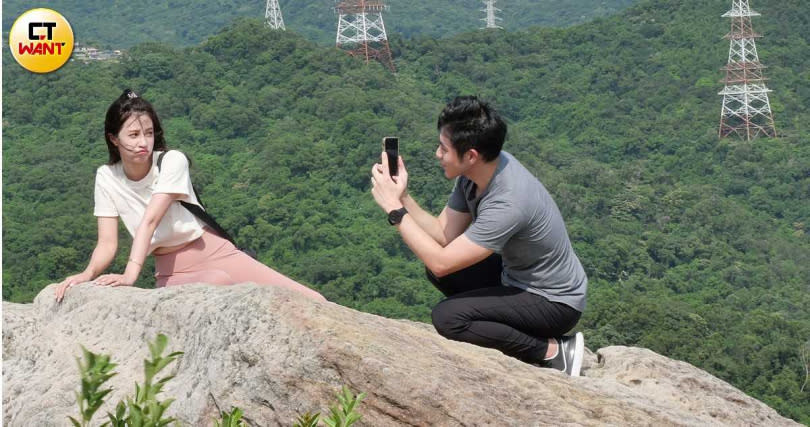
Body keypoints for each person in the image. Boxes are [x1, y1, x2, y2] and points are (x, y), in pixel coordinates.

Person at [370, 96, 587, 376]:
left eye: (443, 148)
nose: (437, 154)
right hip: (518, 278)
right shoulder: (476, 174)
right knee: (441, 274)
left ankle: (554, 352)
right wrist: (404, 197)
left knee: (448, 318)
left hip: (553, 302)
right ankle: (504, 329)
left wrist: (395, 210)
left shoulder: (509, 201)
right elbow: (444, 235)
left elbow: (441, 260)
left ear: (470, 155)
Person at [55, 89, 325, 303]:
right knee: (219, 285)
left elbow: (150, 220)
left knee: (313, 301)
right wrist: (87, 274)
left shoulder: (172, 161)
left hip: (216, 251)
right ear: (113, 138)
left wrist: (130, 274)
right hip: (172, 270)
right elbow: (107, 243)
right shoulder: (107, 176)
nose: (143, 142)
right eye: (133, 134)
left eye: (148, 133)